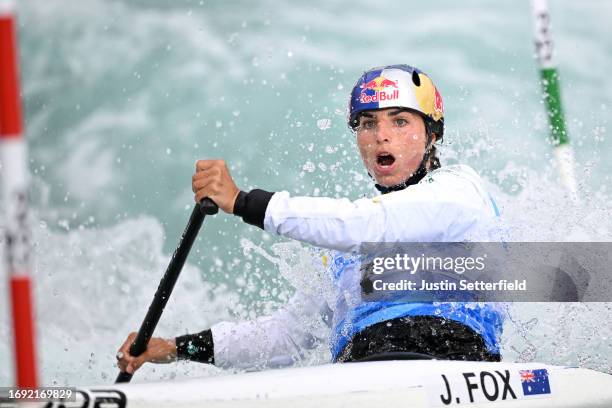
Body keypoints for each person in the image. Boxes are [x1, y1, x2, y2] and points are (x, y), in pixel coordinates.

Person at [117, 64, 504, 375]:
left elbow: (369, 225)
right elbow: (287, 337)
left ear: (432, 134)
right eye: (368, 124)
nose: (381, 136)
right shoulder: (345, 255)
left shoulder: (460, 192)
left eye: (399, 121)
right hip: (355, 376)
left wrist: (242, 202)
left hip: (454, 363)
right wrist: (178, 347)